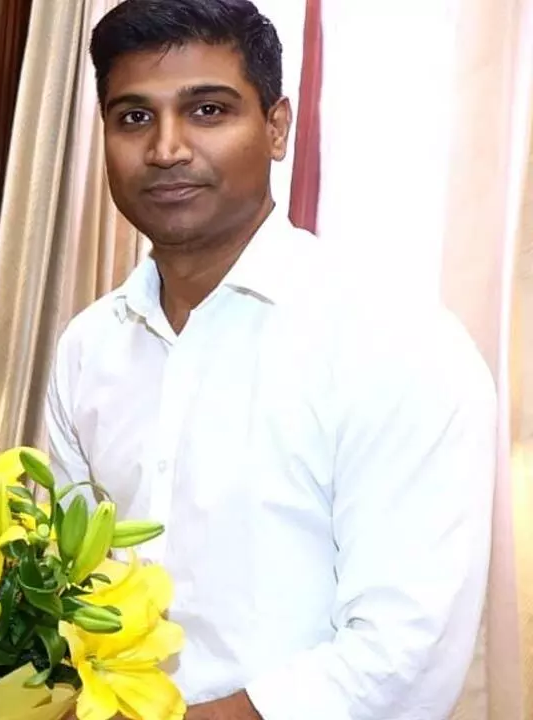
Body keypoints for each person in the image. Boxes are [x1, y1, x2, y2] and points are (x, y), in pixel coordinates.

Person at [45, 1, 497, 718]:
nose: (166, 148)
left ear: (277, 127)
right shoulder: (88, 348)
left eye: (208, 111)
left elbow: (406, 651)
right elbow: (61, 587)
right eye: (134, 117)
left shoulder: (396, 343)